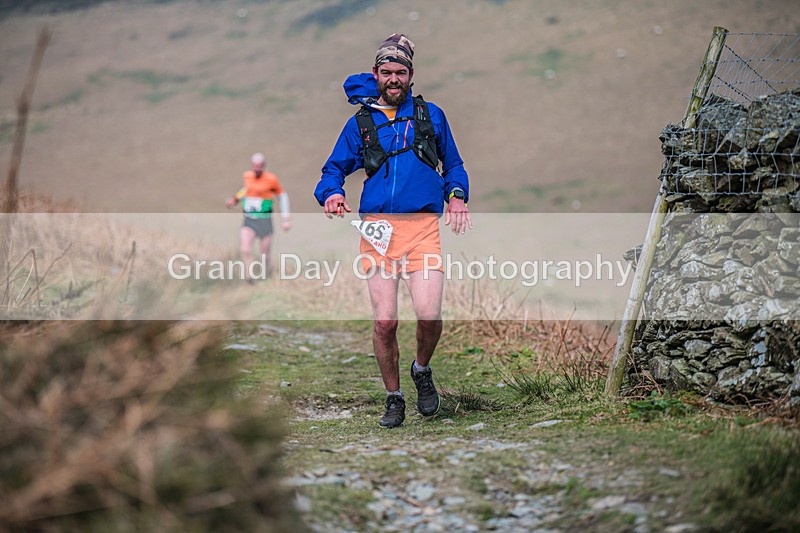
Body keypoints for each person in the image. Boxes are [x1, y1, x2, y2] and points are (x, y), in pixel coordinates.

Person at [314, 34, 472, 428]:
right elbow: (332, 169)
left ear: (411, 74)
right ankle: (394, 397)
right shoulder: (361, 123)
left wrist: (456, 196)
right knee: (385, 322)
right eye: (386, 72)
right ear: (376, 75)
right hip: (378, 232)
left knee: (430, 315)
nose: (393, 78)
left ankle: (421, 369)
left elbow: (453, 166)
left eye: (400, 72)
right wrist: (331, 194)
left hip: (422, 229)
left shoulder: (431, 115)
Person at [226, 152, 291, 282]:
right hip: (249, 219)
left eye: (259, 166)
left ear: (264, 166)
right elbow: (246, 189)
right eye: (254, 166)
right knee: (245, 249)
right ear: (251, 165)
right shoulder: (247, 176)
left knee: (265, 255)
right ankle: (249, 279)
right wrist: (235, 199)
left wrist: (286, 219)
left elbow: (282, 197)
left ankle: (268, 277)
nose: (257, 169)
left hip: (265, 220)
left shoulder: (271, 179)